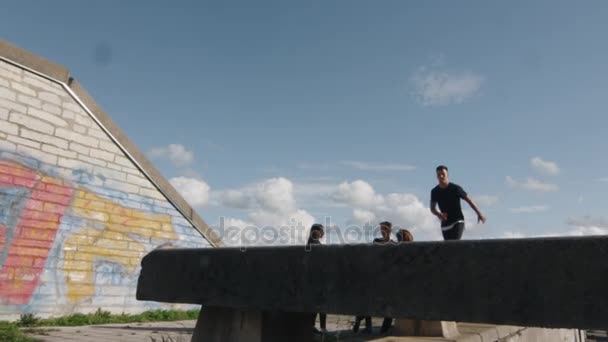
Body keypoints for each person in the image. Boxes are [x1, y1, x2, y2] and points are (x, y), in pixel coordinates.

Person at [353, 222, 395, 334]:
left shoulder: (394, 244)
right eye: (381, 228)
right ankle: (363, 324)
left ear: (390, 230)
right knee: (368, 302)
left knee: (389, 304)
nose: (382, 231)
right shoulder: (377, 241)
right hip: (376, 277)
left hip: (387, 279)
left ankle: (384, 329)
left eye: (385, 228)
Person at [430, 165, 486, 240]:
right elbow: (432, 208)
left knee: (455, 244)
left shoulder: (455, 188)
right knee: (449, 248)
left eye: (443, 174)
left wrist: (479, 213)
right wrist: (438, 214)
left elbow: (469, 201)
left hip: (458, 220)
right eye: (439, 174)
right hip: (445, 223)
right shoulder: (434, 191)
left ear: (447, 175)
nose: (441, 176)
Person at [306, 224, 327, 334]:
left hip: (315, 279)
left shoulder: (313, 243)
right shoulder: (314, 243)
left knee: (317, 307)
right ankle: (321, 328)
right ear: (316, 232)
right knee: (320, 306)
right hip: (316, 280)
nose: (323, 233)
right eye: (321, 231)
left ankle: (315, 326)